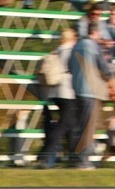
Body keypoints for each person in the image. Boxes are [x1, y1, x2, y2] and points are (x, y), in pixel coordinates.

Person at [69, 25, 112, 170]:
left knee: (81, 126)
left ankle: (78, 157)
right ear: (95, 32)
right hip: (90, 92)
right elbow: (104, 68)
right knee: (88, 128)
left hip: (77, 90)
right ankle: (83, 160)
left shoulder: (76, 45)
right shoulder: (94, 47)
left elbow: (69, 66)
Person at [41, 28, 77, 168]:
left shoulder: (57, 51)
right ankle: (46, 155)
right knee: (63, 125)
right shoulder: (70, 52)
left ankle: (73, 157)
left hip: (54, 92)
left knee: (71, 125)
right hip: (67, 92)